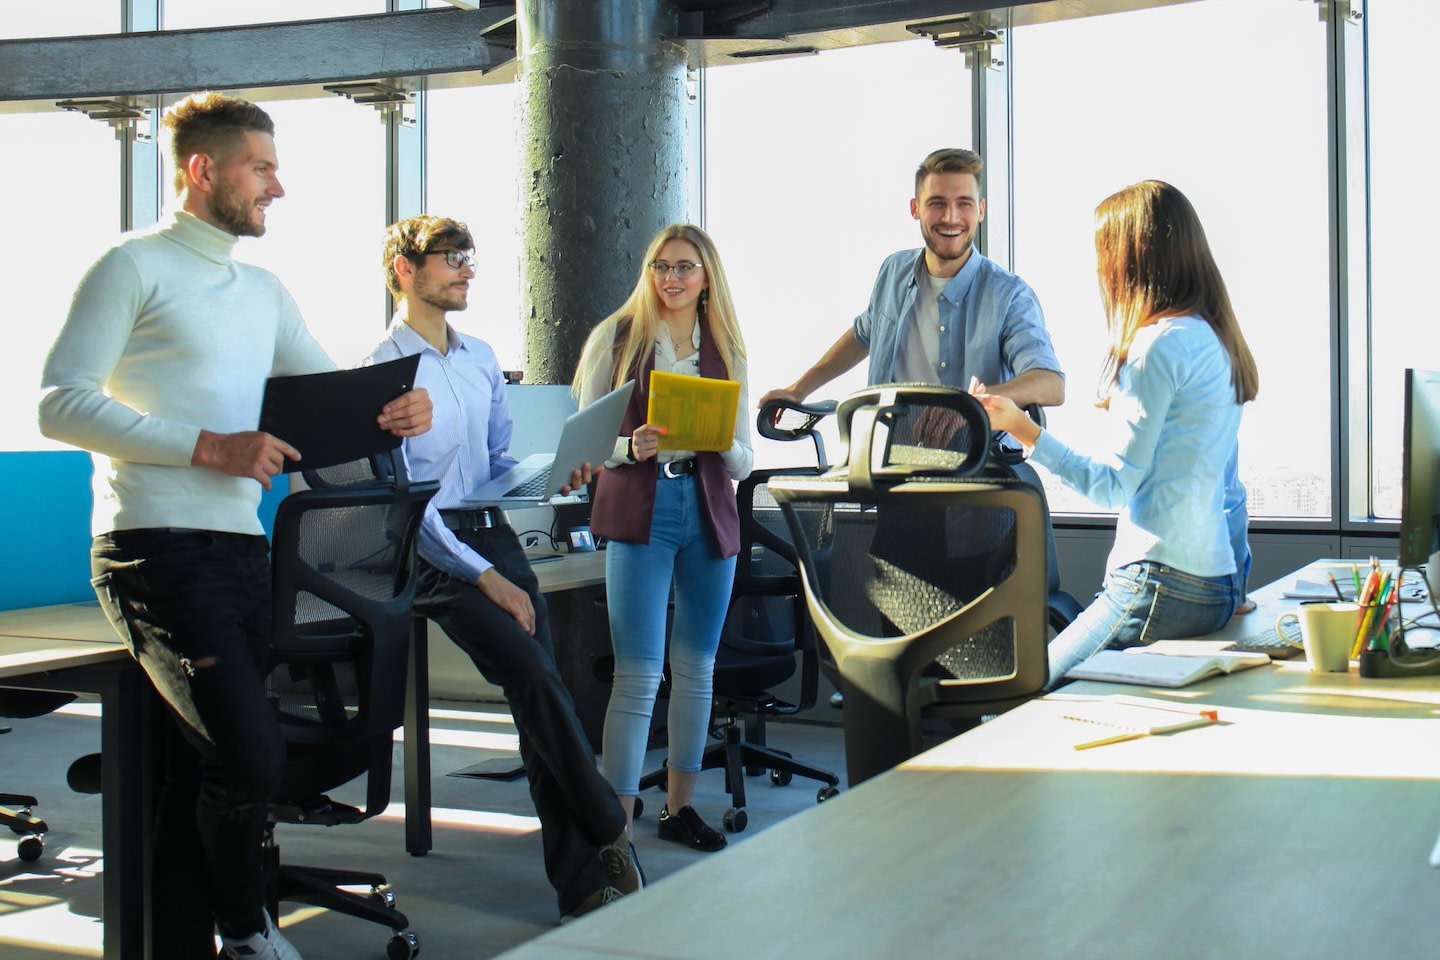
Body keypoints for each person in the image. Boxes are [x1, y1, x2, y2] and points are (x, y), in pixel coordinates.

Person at [38, 92, 433, 960]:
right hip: (154, 548)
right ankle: (248, 925)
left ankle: (183, 943)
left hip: (243, 551)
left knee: (196, 771)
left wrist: (395, 410)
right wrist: (208, 446)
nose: (278, 187)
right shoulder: (130, 266)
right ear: (202, 170)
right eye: (261, 167)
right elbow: (60, 402)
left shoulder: (262, 289)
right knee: (249, 759)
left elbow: (329, 407)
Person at [369, 214, 642, 922]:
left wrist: (556, 473)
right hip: (431, 551)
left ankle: (582, 882)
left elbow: (493, 467)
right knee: (530, 674)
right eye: (450, 257)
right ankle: (606, 820)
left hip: (489, 533)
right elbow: (404, 502)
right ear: (405, 268)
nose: (465, 268)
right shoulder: (381, 370)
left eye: (470, 257)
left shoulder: (481, 357)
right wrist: (480, 576)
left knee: (539, 695)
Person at [973, 179, 1259, 687]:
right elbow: (1230, 490)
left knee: (1026, 689)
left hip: (1157, 583)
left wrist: (1022, 427)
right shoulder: (1217, 342)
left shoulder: (1155, 348)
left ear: (1131, 260)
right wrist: (1233, 586)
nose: (1100, 270)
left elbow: (1110, 486)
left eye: (1104, 253)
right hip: (1214, 587)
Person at [573, 223, 753, 853]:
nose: (672, 278)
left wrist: (722, 440)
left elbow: (745, 460)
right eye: (661, 266)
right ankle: (615, 825)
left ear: (707, 278)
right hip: (641, 504)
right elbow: (582, 442)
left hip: (706, 504)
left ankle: (679, 808)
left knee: (696, 667)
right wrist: (629, 445)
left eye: (685, 267)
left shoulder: (726, 347)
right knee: (639, 671)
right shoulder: (616, 339)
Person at [759, 147, 1063, 418]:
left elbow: (1051, 383)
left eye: (964, 204)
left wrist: (972, 405)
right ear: (915, 208)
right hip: (887, 456)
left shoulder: (1009, 295)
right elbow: (863, 335)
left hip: (978, 461)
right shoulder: (894, 271)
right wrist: (799, 389)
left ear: (980, 211)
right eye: (937, 203)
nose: (951, 217)